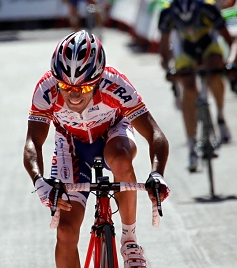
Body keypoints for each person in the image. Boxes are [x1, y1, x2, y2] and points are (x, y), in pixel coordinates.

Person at [23, 30, 170, 268]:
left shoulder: (115, 84)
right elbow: (33, 142)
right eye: (64, 85)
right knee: (67, 233)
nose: (72, 94)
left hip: (112, 134)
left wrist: (157, 173)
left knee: (121, 161)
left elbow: (155, 134)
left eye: (82, 88)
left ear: (98, 80)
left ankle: (130, 240)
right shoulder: (46, 89)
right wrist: (39, 181)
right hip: (72, 146)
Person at [158, 0, 237, 172]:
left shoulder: (208, 7)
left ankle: (220, 117)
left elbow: (232, 43)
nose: (189, 28)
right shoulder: (166, 14)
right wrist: (169, 70)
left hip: (208, 44)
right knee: (188, 88)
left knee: (214, 72)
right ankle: (192, 147)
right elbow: (163, 54)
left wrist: (231, 63)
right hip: (185, 50)